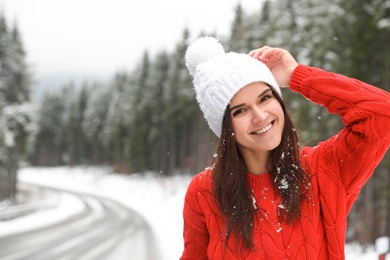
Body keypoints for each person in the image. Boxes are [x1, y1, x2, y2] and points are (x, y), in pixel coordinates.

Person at [180, 36, 390, 259]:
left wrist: (296, 76)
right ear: (224, 127)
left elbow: (381, 113)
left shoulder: (323, 170)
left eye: (265, 98)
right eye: (240, 111)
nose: (260, 116)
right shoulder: (204, 191)